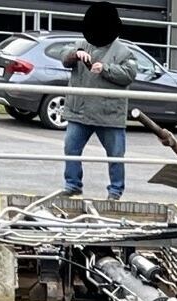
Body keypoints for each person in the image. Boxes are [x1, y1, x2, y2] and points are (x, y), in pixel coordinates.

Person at [60, 1, 139, 200]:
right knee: (71, 149)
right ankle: (72, 185)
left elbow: (129, 74)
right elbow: (63, 56)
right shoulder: (81, 44)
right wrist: (74, 55)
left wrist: (105, 68)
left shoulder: (124, 51)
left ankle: (115, 191)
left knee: (115, 155)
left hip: (109, 113)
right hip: (79, 110)